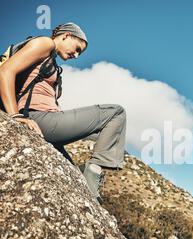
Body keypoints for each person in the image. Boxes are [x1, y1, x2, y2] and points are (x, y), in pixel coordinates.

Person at [0, 22, 127, 203]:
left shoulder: (52, 61)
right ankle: (95, 169)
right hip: (38, 119)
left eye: (79, 53)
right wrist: (15, 116)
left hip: (45, 122)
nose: (76, 55)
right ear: (66, 36)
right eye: (77, 49)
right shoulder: (45, 43)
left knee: (76, 178)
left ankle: (89, 181)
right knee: (116, 113)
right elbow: (5, 72)